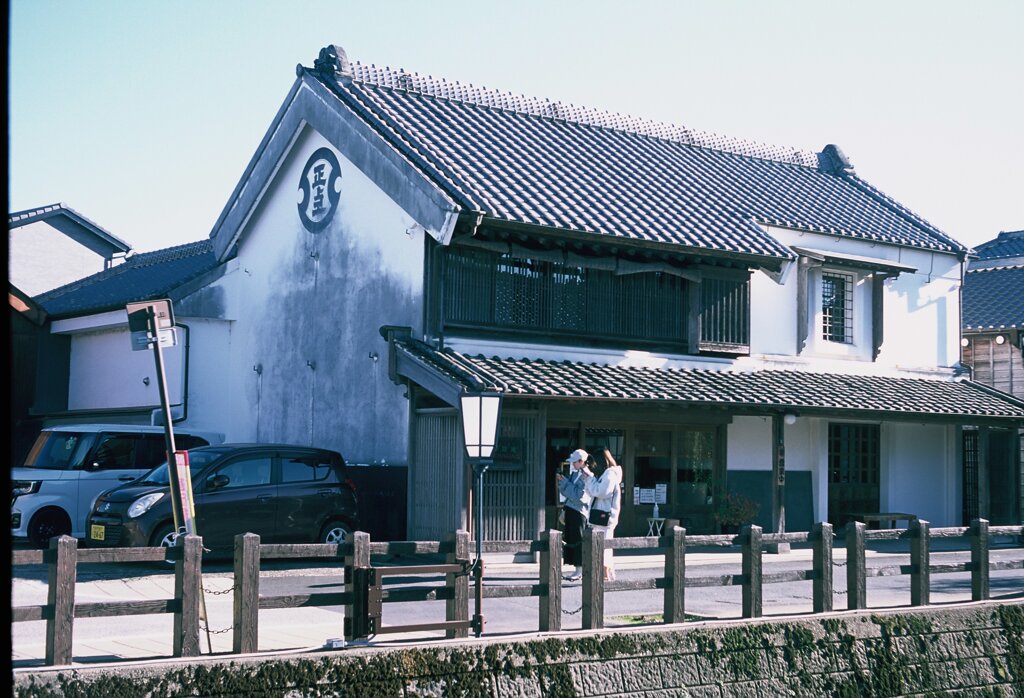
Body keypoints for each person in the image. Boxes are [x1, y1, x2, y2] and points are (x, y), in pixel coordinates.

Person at [583, 447, 623, 581]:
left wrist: (590, 480)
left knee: (604, 546)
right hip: (603, 516)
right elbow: (593, 492)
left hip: (605, 517)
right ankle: (605, 573)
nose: (593, 466)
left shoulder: (610, 475)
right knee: (604, 546)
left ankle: (605, 574)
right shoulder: (607, 474)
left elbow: (601, 492)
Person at [556, 448, 591, 582]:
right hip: (571, 509)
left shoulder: (586, 475)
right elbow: (568, 492)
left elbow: (578, 495)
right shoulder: (576, 474)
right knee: (571, 539)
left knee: (578, 540)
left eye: (575, 462)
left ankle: (580, 570)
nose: (573, 465)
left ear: (582, 462)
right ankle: (577, 569)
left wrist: (565, 484)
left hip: (579, 512)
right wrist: (565, 483)